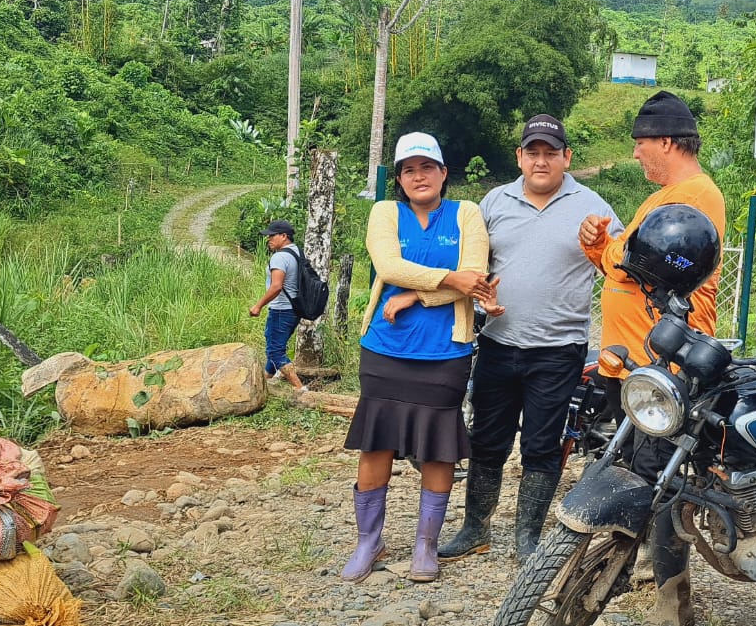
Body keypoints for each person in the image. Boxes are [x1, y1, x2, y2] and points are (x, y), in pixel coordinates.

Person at [438, 114, 621, 563]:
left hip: (558, 351)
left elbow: (619, 266)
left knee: (542, 445)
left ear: (567, 158)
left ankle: (528, 538)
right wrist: (479, 293)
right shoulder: (495, 202)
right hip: (498, 344)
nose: (542, 161)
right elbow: (472, 264)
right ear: (519, 157)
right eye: (533, 152)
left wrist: (602, 244)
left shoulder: (592, 208)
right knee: (487, 440)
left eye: (551, 153)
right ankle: (475, 528)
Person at [579, 90, 726, 626]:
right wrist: (599, 244)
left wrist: (608, 247)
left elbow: (634, 262)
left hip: (665, 365)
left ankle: (670, 593)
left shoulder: (693, 196)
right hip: (639, 362)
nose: (636, 153)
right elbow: (624, 264)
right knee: (638, 466)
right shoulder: (664, 197)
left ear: (665, 142)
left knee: (659, 477)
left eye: (640, 144)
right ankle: (639, 564)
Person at [340, 132, 496, 585]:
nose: (418, 176)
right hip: (385, 348)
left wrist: (415, 294)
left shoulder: (466, 213)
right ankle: (369, 541)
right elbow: (390, 267)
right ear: (400, 179)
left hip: (446, 350)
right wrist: (448, 280)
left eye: (427, 167)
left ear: (443, 173)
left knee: (438, 446)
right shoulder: (385, 213)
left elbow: (476, 277)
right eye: (409, 170)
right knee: (376, 443)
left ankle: (426, 544)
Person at [248, 220, 308, 393]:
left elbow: (276, 286)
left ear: (284, 236)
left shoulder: (280, 257)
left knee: (275, 351)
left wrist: (258, 306)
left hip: (281, 310)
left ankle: (301, 390)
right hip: (294, 310)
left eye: (272, 236)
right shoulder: (296, 252)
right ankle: (264, 383)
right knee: (275, 347)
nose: (268, 239)